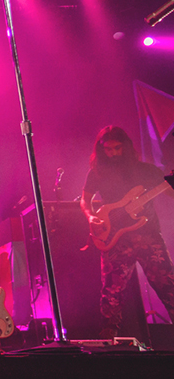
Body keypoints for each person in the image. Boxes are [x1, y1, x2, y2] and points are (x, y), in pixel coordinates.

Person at [80, 125, 174, 338]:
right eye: (108, 149)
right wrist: (91, 217)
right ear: (101, 149)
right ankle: (109, 341)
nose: (113, 153)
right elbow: (85, 200)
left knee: (168, 285)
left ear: (126, 147)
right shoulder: (96, 173)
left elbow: (169, 192)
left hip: (148, 235)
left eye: (117, 148)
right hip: (115, 238)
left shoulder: (146, 170)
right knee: (111, 293)